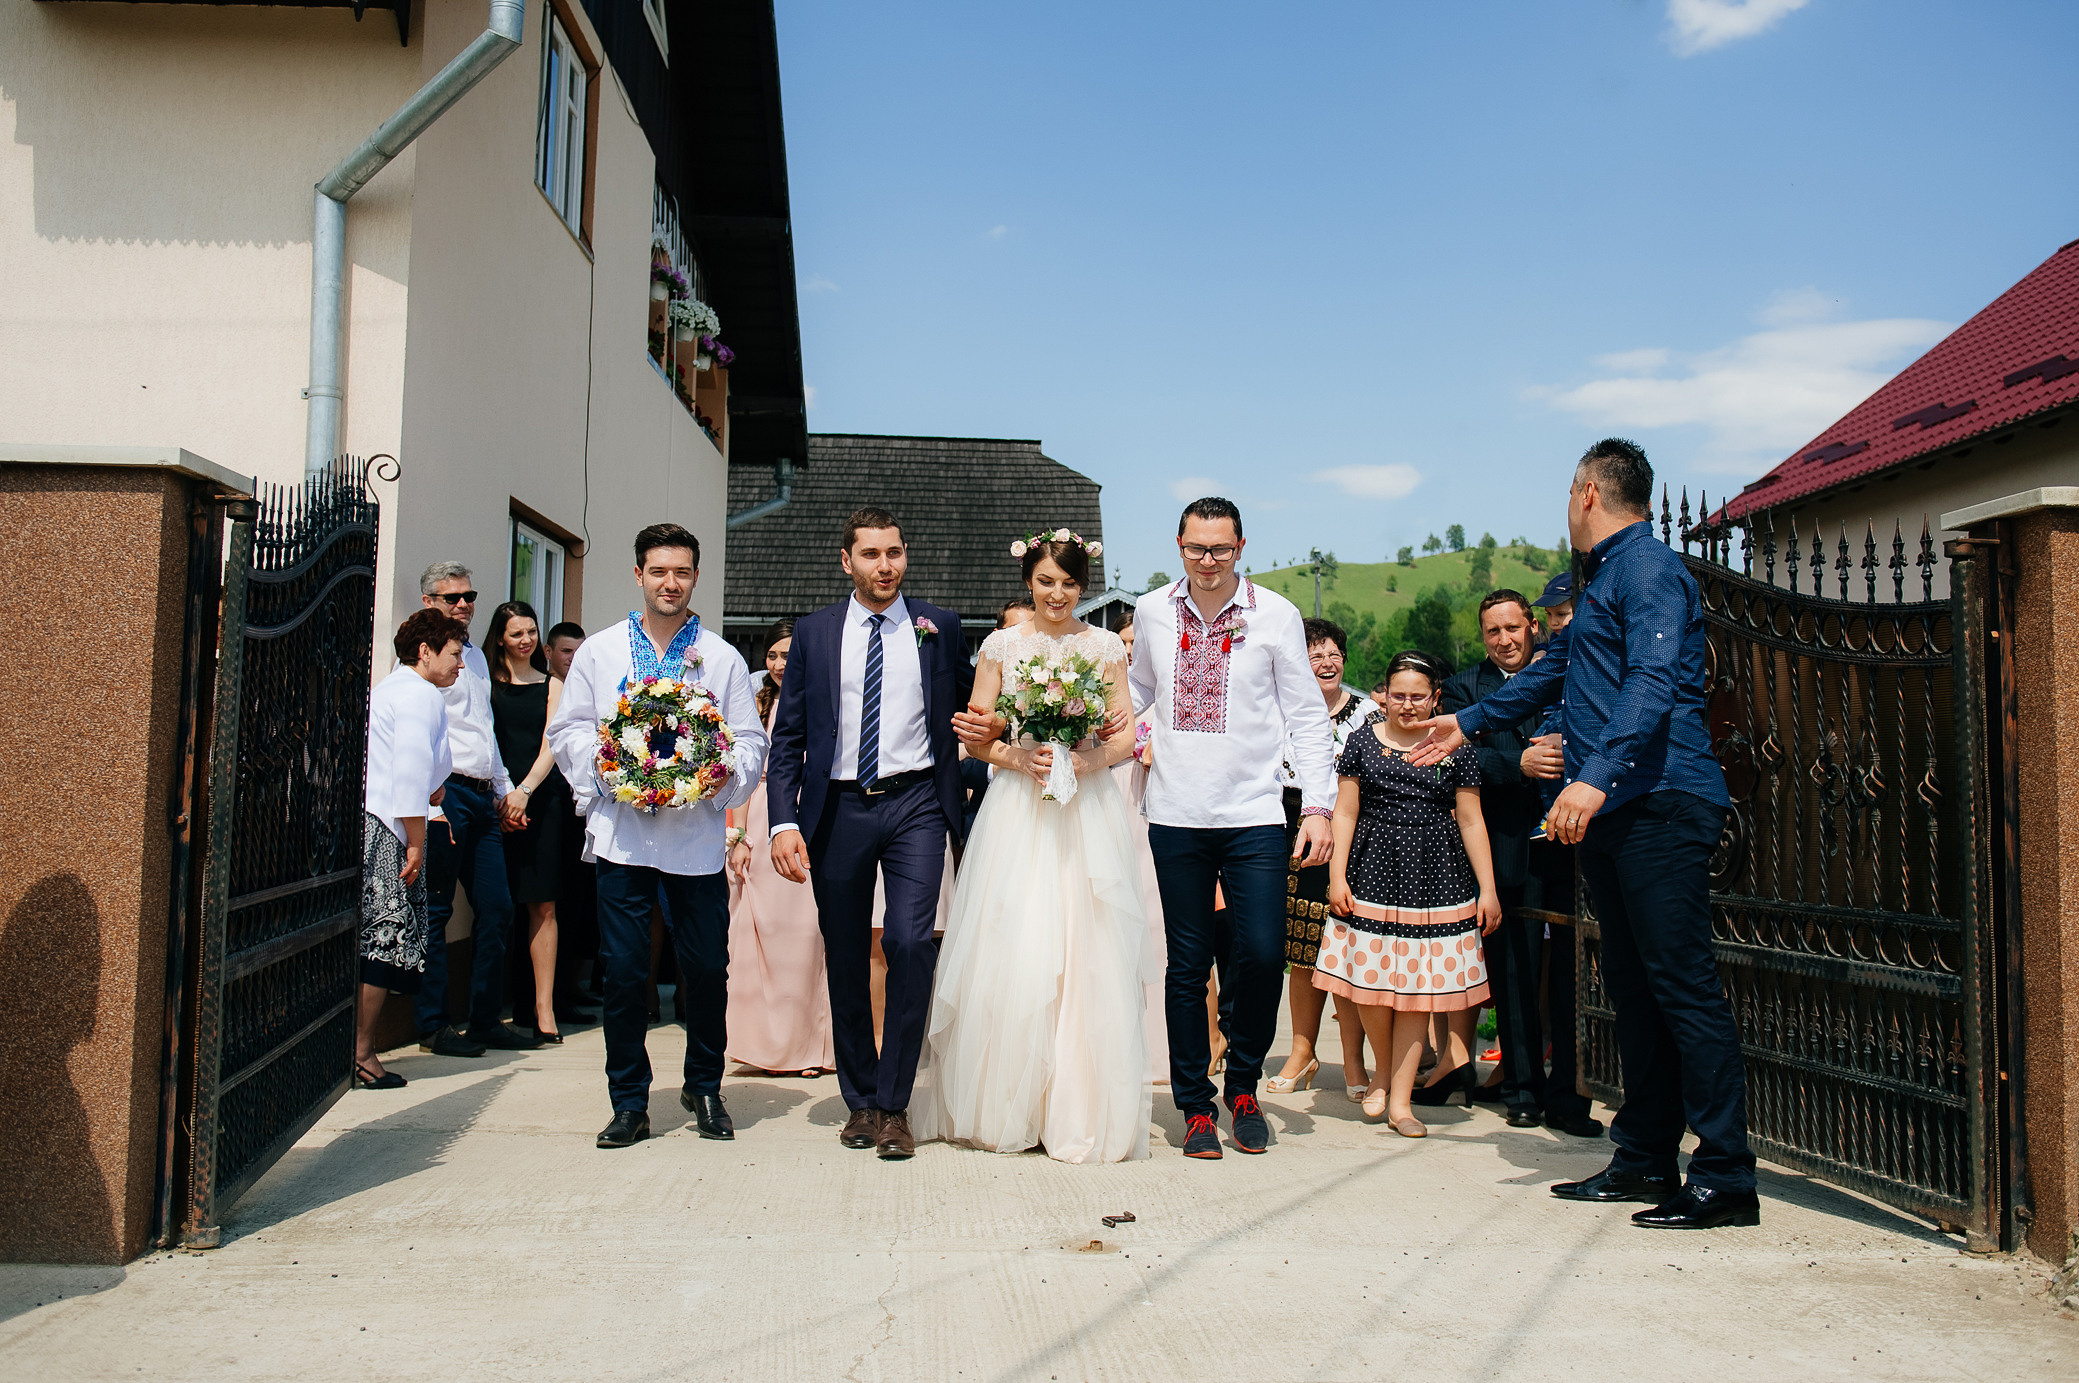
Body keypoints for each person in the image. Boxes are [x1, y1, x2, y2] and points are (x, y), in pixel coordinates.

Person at [1411, 437, 1755, 1229]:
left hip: (1659, 801)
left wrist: (1594, 773)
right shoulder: (1601, 581)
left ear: (1588, 493)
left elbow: (1652, 680)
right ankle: (1644, 1156)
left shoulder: (1648, 570)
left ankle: (1725, 1173)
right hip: (1618, 808)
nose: (1566, 506)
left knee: (1681, 987)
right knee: (1633, 989)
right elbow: (1549, 669)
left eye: (1568, 493)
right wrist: (1468, 720)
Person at [912, 531, 1151, 1162]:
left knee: (1085, 943)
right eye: (1046, 582)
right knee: (1015, 940)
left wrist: (1084, 760)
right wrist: (1023, 759)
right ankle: (1006, 1107)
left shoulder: (1104, 647)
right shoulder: (1001, 646)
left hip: (1086, 808)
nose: (1057, 594)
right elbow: (976, 736)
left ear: (1083, 587)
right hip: (1019, 807)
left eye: (1069, 584)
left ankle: (1075, 1106)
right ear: (1028, 581)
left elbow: (1125, 735)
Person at [1123, 497, 1336, 1159]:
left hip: (1253, 815)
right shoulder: (1151, 610)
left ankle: (1242, 1088)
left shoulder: (1275, 614)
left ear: (1240, 546)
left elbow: (1307, 716)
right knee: (1186, 966)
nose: (1208, 560)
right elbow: (1136, 693)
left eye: (1220, 548)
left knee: (1263, 954)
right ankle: (1193, 1103)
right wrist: (1084, 722)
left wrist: (1318, 807)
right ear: (1179, 546)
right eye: (1196, 547)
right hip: (1175, 813)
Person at [548, 523, 768, 1149]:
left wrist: (716, 776)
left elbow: (751, 741)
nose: (670, 583)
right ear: (638, 574)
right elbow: (568, 730)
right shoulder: (600, 652)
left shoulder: (721, 658)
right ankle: (629, 1102)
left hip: (695, 839)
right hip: (623, 838)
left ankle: (704, 1087)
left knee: (707, 969)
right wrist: (612, 768)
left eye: (682, 572)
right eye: (659, 571)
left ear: (695, 577)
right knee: (623, 973)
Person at [766, 508, 974, 1161]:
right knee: (847, 954)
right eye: (871, 554)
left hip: (918, 802)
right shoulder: (814, 632)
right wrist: (783, 820)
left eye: (894, 552)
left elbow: (974, 709)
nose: (885, 566)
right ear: (846, 560)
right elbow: (789, 736)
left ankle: (895, 1102)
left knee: (911, 943)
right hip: (839, 807)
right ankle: (860, 1099)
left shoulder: (939, 625)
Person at [1319, 650, 1501, 1137]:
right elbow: (1345, 813)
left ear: (1435, 697)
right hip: (1371, 871)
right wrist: (1337, 876)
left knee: (1419, 993)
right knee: (1371, 987)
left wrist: (1487, 889)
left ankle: (1401, 1102)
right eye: (1398, 695)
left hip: (1436, 876)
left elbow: (1471, 820)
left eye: (1418, 696)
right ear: (1384, 695)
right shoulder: (1361, 741)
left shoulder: (1454, 746)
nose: (1407, 704)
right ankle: (1382, 1071)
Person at [1437, 591, 1561, 1128]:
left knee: (1568, 972)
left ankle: (1570, 1093)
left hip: (1569, 843)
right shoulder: (1465, 689)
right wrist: (1519, 764)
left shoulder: (1564, 672)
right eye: (1493, 631)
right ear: (1482, 636)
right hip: (1507, 846)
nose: (1505, 640)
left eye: (1513, 628)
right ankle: (1523, 1090)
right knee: (1515, 970)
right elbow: (1456, 757)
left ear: (1532, 626)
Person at [414, 563, 536, 1058]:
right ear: (429, 602)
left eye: (469, 596)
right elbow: (418, 732)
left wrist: (504, 789)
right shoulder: (421, 657)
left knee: (497, 907)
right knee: (437, 909)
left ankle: (484, 1020)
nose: (463, 605)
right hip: (446, 795)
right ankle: (433, 1025)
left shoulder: (477, 658)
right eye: (452, 598)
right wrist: (429, 797)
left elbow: (484, 729)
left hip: (483, 795)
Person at [1267, 618, 1378, 1099]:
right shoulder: (1279, 708)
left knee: (1345, 946)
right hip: (1292, 827)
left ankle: (1354, 1061)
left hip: (1353, 831)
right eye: (1315, 656)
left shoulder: (1369, 714)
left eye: (1334, 654)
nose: (1326, 663)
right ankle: (1302, 1051)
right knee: (1302, 949)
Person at [356, 609, 465, 1088]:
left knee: (374, 939)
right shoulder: (420, 695)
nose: (460, 664)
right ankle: (362, 1053)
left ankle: (358, 1049)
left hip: (376, 820)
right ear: (425, 651)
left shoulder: (392, 689)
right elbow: (410, 771)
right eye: (454, 654)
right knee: (382, 942)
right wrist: (417, 843)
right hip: (389, 827)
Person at [723, 619, 835, 1077]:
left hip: (808, 814)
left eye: (788, 655)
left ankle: (811, 1049)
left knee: (808, 937)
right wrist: (738, 835)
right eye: (772, 655)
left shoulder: (823, 697)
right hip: (760, 816)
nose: (779, 664)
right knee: (754, 937)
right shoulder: (756, 701)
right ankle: (762, 1047)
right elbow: (742, 774)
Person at [485, 600, 570, 1043]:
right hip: (495, 802)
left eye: (532, 631)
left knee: (543, 904)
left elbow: (552, 743)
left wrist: (524, 792)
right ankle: (491, 1007)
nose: (526, 640)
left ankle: (543, 1007)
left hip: (541, 800)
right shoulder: (484, 682)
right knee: (497, 906)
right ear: (500, 638)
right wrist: (503, 798)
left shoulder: (552, 684)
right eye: (516, 633)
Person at [542, 619, 598, 1024]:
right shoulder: (546, 689)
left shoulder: (589, 692)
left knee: (581, 902)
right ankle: (554, 994)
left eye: (579, 652)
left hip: (583, 807)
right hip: (549, 805)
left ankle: (572, 985)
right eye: (566, 652)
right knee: (554, 900)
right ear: (549, 653)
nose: (573, 659)